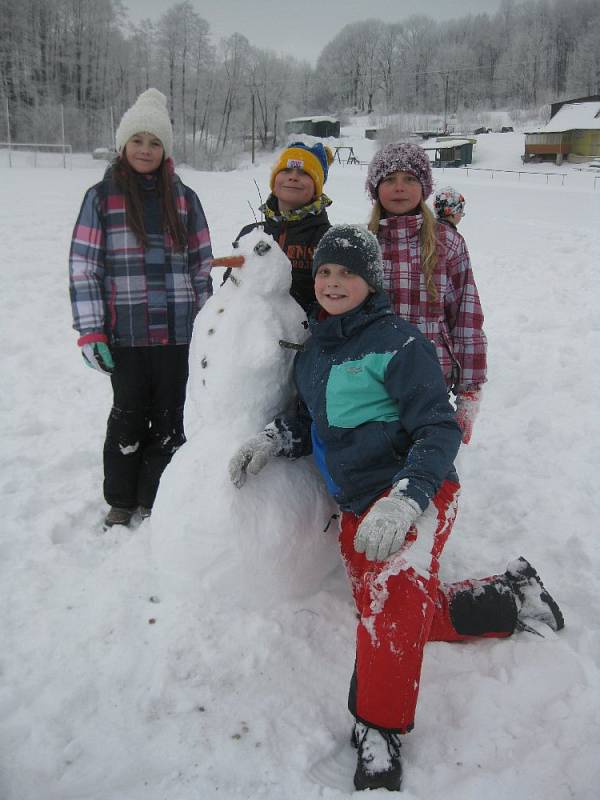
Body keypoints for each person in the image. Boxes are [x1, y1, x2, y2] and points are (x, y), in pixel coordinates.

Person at [227, 225, 564, 792]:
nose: (334, 282)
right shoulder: (314, 351)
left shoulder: (402, 344)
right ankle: (511, 597)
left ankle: (379, 729)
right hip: (360, 504)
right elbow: (314, 419)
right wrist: (275, 438)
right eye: (327, 272)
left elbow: (438, 427)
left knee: (388, 607)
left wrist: (407, 501)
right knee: (397, 609)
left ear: (370, 281)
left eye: (347, 273)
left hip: (418, 494)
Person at [69, 88, 213, 528]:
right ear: (123, 145)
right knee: (129, 413)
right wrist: (91, 331)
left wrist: (208, 327)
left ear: (165, 148)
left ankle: (155, 495)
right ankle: (120, 498)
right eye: (138, 141)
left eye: (154, 142)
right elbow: (83, 268)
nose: (146, 150)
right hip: (125, 334)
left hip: (176, 332)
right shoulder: (101, 197)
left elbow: (201, 264)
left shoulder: (184, 198)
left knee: (170, 415)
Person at [367, 143, 485, 445]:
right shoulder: (364, 243)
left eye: (410, 179)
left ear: (424, 188)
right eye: (390, 179)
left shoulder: (448, 243)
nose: (399, 188)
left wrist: (469, 391)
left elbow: (466, 316)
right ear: (376, 188)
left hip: (432, 378)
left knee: (431, 465)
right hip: (372, 379)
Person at [231, 141, 333, 312]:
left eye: (304, 173)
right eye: (285, 170)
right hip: (249, 333)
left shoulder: (327, 239)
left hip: (303, 336)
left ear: (317, 187)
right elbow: (229, 287)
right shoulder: (250, 234)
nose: (293, 177)